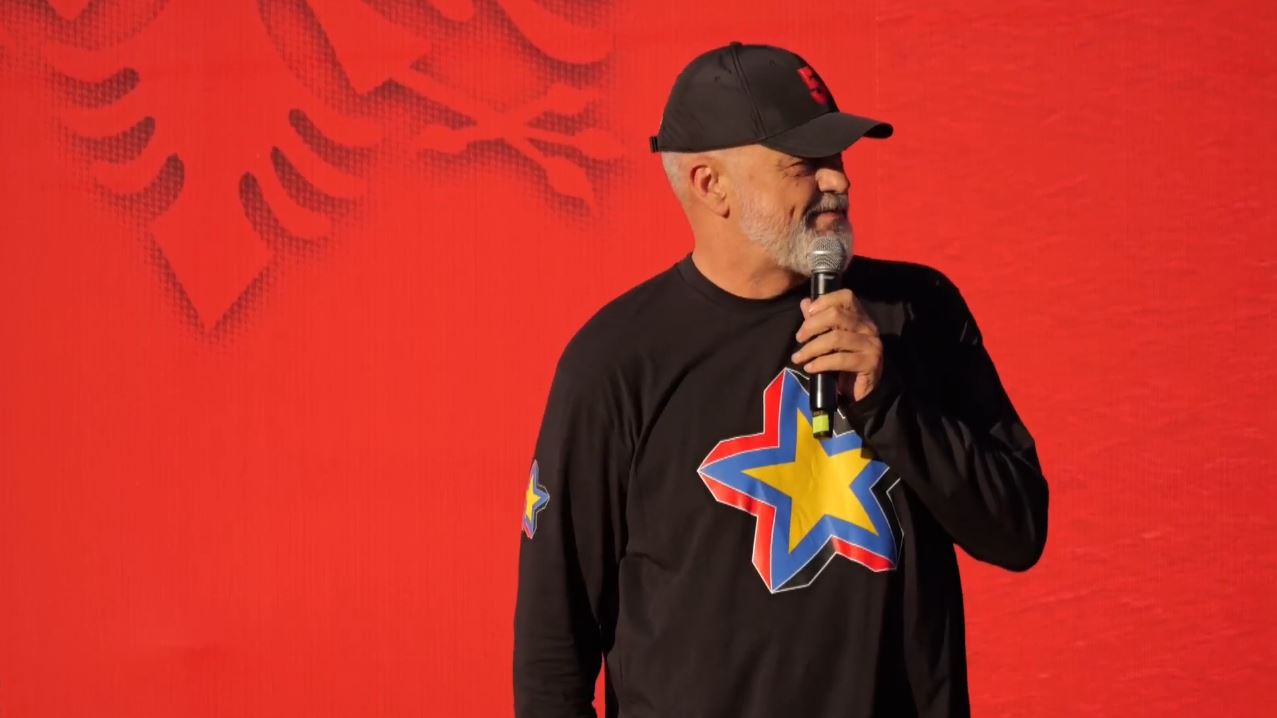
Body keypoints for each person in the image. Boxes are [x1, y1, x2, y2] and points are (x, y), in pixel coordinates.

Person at [513, 41, 1049, 718]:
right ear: (711, 184)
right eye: (804, 164)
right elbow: (552, 650)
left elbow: (1016, 531)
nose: (838, 182)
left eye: (838, 158)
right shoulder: (617, 360)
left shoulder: (917, 313)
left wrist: (890, 403)